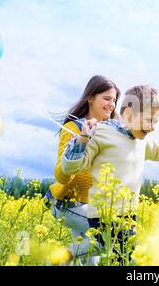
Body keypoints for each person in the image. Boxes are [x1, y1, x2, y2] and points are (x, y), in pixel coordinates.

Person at [61, 85, 159, 264]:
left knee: (117, 255)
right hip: (105, 214)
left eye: (156, 122)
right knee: (126, 257)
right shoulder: (102, 133)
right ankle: (66, 255)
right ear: (128, 114)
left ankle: (65, 256)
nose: (153, 127)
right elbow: (71, 167)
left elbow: (157, 151)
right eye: (149, 120)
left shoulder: (141, 141)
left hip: (128, 215)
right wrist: (82, 139)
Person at [44, 75, 120, 265]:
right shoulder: (73, 127)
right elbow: (61, 174)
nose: (112, 104)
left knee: (89, 260)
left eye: (114, 100)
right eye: (107, 98)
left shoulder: (109, 130)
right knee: (109, 239)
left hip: (91, 205)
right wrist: (81, 141)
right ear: (90, 98)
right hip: (71, 204)